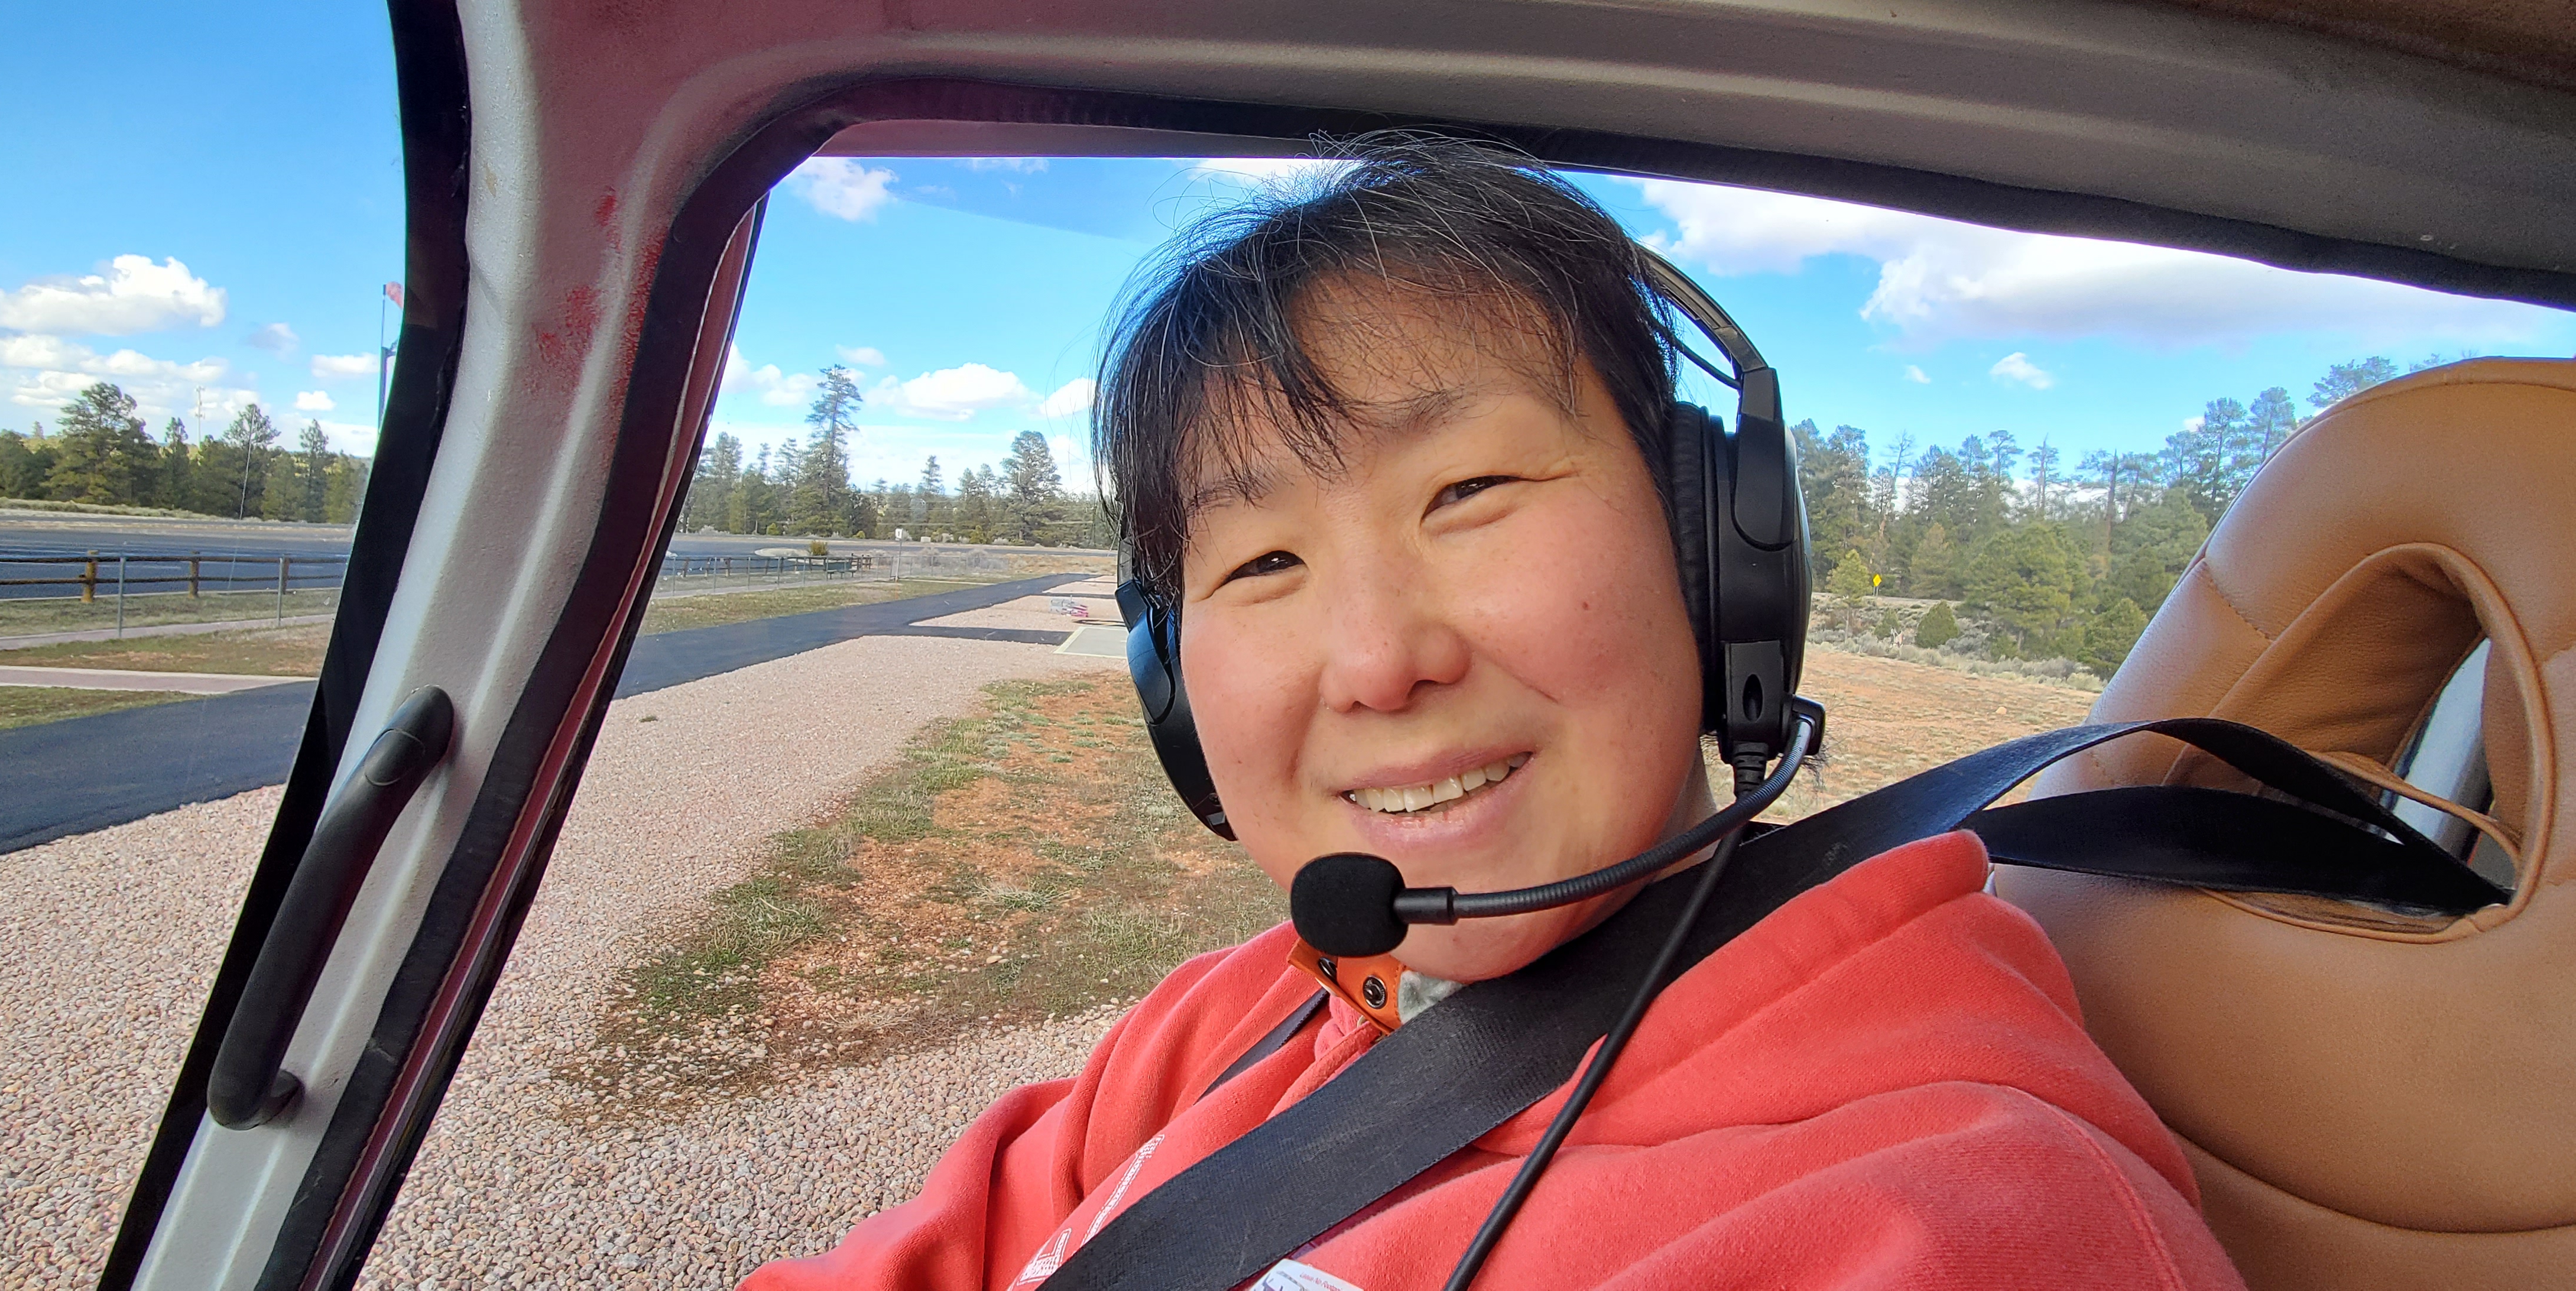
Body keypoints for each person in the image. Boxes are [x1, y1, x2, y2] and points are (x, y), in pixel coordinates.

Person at [741, 139, 2243, 1290]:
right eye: (1261, 562)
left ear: (1715, 562)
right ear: (1173, 685)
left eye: (1468, 490)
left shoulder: (1952, 1213)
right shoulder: (1231, 1018)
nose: (1375, 662)